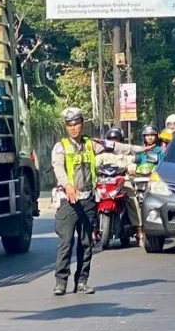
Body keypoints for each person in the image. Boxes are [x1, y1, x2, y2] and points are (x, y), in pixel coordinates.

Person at [50, 108, 142, 297]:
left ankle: (82, 281)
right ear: (66, 127)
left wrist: (140, 149)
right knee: (65, 243)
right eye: (69, 124)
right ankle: (61, 282)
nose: (73, 128)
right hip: (69, 202)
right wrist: (67, 185)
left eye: (76, 123)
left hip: (88, 201)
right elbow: (58, 169)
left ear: (82, 124)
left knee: (86, 243)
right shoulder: (61, 147)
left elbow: (115, 147)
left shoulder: (92, 144)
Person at [95, 127, 143, 245]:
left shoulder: (126, 154)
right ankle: (93, 231)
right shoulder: (102, 155)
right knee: (91, 200)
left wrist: (131, 169)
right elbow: (94, 165)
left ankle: (139, 231)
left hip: (122, 181)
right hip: (104, 182)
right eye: (111, 139)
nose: (114, 141)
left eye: (116, 139)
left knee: (132, 200)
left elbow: (132, 163)